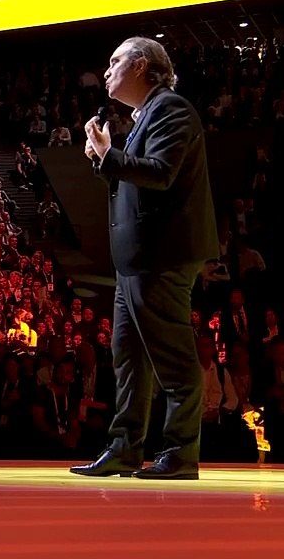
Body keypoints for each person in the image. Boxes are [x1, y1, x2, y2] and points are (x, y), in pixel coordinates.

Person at [71, 37, 217, 480]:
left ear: (141, 65)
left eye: (116, 60)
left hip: (162, 257)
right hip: (138, 260)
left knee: (172, 358)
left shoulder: (171, 109)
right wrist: (105, 160)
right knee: (128, 360)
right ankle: (124, 449)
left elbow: (161, 173)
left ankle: (180, 453)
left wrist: (107, 155)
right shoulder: (146, 117)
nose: (108, 68)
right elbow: (139, 183)